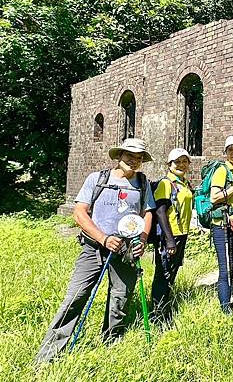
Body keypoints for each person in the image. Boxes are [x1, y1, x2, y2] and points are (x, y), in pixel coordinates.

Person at [36, 138, 155, 362]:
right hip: (93, 248)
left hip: (126, 250)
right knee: (75, 298)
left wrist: (143, 238)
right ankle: (48, 357)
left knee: (120, 300)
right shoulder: (98, 179)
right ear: (119, 156)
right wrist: (103, 238)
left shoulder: (143, 183)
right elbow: (80, 213)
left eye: (139, 157)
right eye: (130, 155)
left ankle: (111, 348)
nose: (134, 160)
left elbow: (147, 213)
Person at [151, 148, 194, 323]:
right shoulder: (166, 184)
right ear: (169, 164)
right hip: (169, 237)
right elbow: (161, 212)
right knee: (163, 274)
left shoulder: (184, 183)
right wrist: (169, 241)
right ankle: (158, 315)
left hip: (181, 234)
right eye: (177, 162)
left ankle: (165, 308)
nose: (181, 165)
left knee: (171, 272)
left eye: (185, 161)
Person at [209, 135, 233, 313]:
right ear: (225, 153)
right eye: (231, 150)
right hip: (222, 225)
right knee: (224, 268)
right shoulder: (222, 171)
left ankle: (227, 296)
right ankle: (225, 310)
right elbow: (214, 197)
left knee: (232, 263)